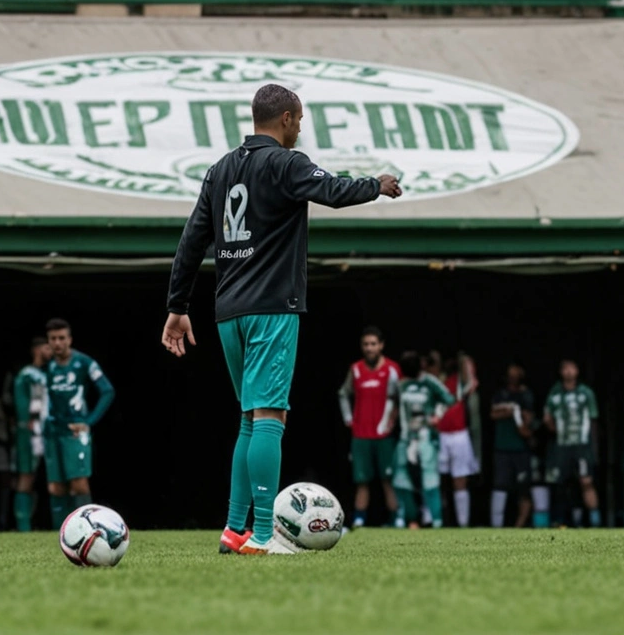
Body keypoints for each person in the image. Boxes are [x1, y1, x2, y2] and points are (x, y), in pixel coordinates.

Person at [161, 83, 403, 555]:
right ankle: (267, 535)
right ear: (288, 118)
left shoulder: (219, 170)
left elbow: (192, 240)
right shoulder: (287, 163)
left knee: (251, 419)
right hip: (272, 308)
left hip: (228, 312)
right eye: (301, 120)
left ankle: (234, 530)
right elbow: (333, 191)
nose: (300, 129)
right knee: (270, 416)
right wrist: (377, 185)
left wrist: (177, 307)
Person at [43, 319, 115, 529]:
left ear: (69, 339)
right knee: (55, 487)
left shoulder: (84, 363)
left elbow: (107, 390)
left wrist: (89, 422)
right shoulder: (48, 366)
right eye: (53, 339)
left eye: (62, 338)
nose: (58, 343)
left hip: (75, 432)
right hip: (53, 431)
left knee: (78, 483)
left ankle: (85, 529)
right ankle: (61, 533)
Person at [337, 326, 401, 528]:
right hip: (361, 435)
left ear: (381, 345)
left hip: (383, 435)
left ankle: (396, 518)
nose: (369, 348)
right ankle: (359, 519)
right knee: (361, 480)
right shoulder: (356, 369)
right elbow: (343, 394)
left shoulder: (392, 369)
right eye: (366, 344)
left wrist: (392, 421)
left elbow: (399, 398)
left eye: (373, 344)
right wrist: (349, 419)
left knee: (388, 479)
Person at [386, 351, 456, 529]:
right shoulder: (400, 384)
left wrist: (437, 415)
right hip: (406, 437)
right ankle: (409, 519)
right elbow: (392, 405)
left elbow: (449, 398)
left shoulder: (429, 381)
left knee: (430, 479)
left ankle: (437, 521)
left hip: (425, 437)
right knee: (401, 478)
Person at [544, 359, 601, 528]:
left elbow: (593, 420)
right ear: (561, 372)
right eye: (565, 369)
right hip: (562, 446)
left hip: (582, 446)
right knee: (561, 483)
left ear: (577, 371)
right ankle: (561, 521)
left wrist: (594, 448)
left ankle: (595, 521)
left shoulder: (585, 393)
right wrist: (556, 429)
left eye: (572, 368)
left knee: (586, 481)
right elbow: (547, 417)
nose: (569, 372)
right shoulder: (555, 393)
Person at [12, 336, 51, 532]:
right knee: (26, 477)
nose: (51, 350)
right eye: (47, 347)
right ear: (37, 350)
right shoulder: (26, 375)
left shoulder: (51, 372)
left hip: (50, 431)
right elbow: (21, 404)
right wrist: (25, 424)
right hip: (31, 434)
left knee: (57, 478)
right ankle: (23, 527)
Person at [491, 364, 537, 528]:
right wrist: (509, 412)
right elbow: (493, 414)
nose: (513, 377)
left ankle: (519, 525)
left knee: (524, 489)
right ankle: (496, 525)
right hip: (502, 448)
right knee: (500, 486)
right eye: (510, 374)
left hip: (521, 449)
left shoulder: (526, 395)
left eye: (516, 373)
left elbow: (528, 421)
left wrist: (523, 423)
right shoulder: (500, 394)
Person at [437, 353, 480, 527]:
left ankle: (463, 523)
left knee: (460, 479)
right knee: (435, 480)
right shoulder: (436, 380)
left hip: (459, 435)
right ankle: (435, 521)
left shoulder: (460, 381)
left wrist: (463, 358)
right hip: (439, 435)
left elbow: (471, 380)